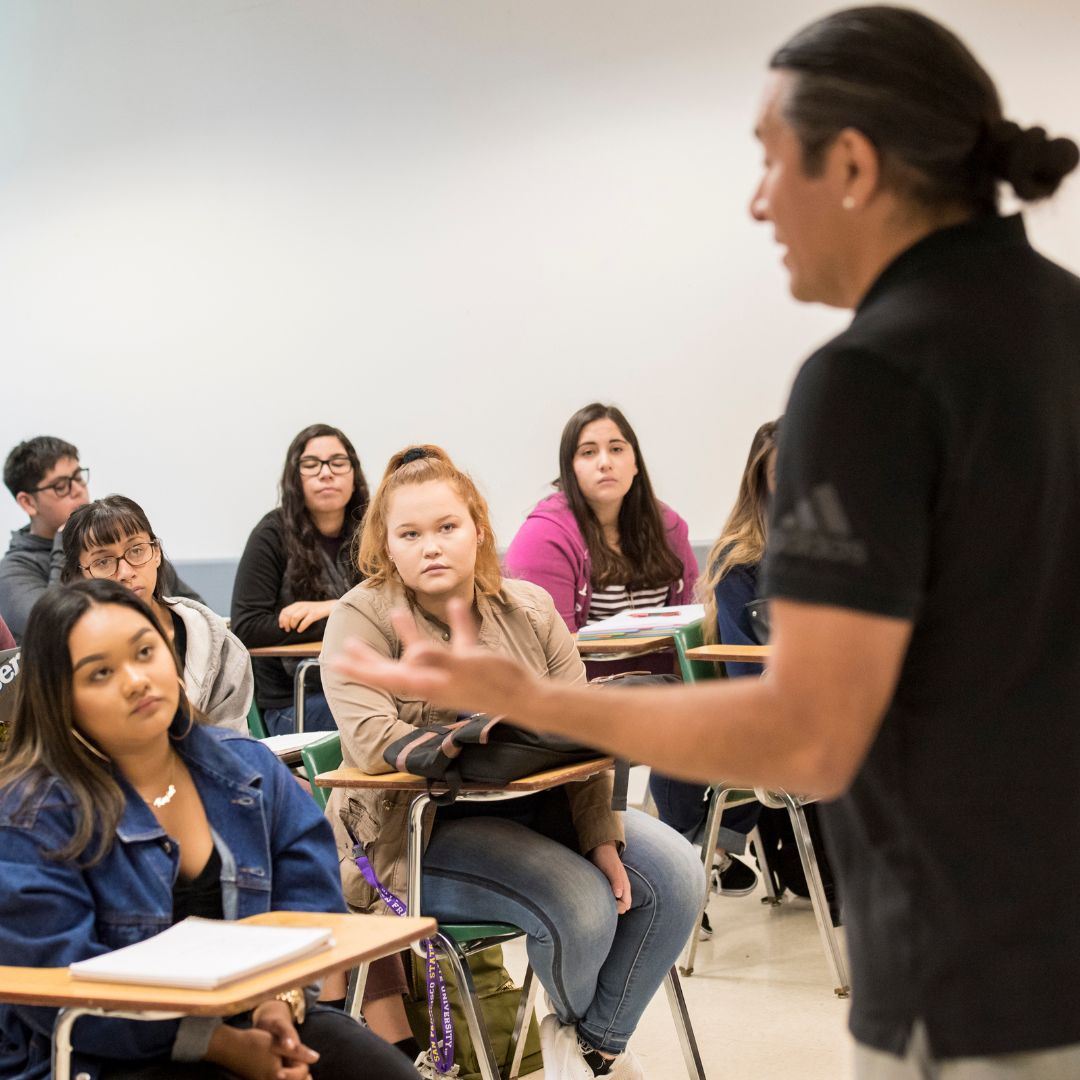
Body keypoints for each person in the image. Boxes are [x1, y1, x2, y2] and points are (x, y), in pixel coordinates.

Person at [328, 8, 1080, 1078]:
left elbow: (806, 737)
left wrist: (541, 702)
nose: (759, 200)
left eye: (773, 161)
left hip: (978, 968)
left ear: (855, 163)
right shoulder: (1060, 323)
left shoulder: (869, 380)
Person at [321, 445, 703, 1080]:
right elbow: (368, 740)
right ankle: (592, 1052)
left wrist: (601, 834)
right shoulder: (361, 617)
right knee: (582, 905)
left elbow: (584, 737)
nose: (431, 546)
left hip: (541, 812)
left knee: (675, 875)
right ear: (387, 547)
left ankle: (590, 1051)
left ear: (478, 527)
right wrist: (473, 728)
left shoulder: (529, 608)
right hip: (417, 835)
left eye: (447, 527)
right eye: (410, 534)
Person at [0, 579, 419, 1080]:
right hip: (100, 1052)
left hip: (255, 1013)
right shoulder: (31, 817)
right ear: (59, 697)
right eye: (101, 673)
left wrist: (279, 1004)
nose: (136, 680)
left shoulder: (250, 772)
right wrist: (217, 1042)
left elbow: (311, 913)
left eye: (145, 651)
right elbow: (61, 994)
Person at [650, 420, 782, 909]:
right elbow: (747, 671)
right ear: (759, 481)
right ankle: (696, 850)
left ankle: (714, 845)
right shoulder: (740, 557)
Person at [61, 495, 253, 732]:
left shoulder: (214, 640)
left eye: (136, 550)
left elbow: (233, 744)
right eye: (103, 562)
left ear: (157, 553)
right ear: (79, 577)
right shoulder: (67, 655)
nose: (125, 572)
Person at [504, 402, 698, 636]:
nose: (605, 463)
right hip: (586, 673)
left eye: (616, 449)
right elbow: (551, 651)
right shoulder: (542, 537)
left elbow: (692, 627)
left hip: (668, 673)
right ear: (570, 470)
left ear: (635, 462)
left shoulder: (668, 526)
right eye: (588, 452)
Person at [232, 424, 369, 736]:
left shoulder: (372, 530)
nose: (326, 473)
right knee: (403, 714)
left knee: (436, 703)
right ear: (295, 477)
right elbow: (247, 627)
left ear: (353, 473)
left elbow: (394, 605)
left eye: (338, 462)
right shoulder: (272, 534)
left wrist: (336, 608)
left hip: (369, 684)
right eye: (311, 465)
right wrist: (347, 618)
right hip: (295, 703)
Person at [0, 436, 201, 641]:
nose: (78, 490)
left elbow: (195, 611)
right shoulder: (12, 572)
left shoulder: (120, 539)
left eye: (78, 477)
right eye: (61, 486)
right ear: (27, 502)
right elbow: (51, 632)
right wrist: (65, 541)